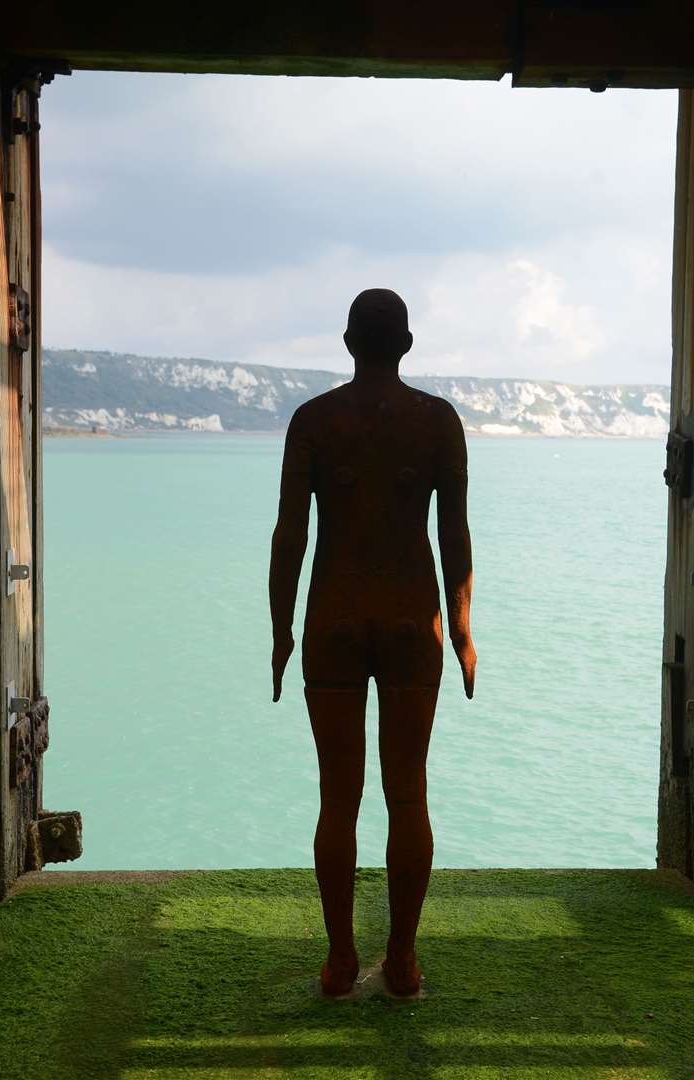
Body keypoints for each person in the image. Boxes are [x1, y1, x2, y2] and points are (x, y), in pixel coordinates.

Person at [268, 288, 477, 999]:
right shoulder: (438, 422)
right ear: (407, 345)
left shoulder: (314, 421)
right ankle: (405, 963)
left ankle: (337, 964)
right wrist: (463, 629)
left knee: (338, 800)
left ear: (350, 343)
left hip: (332, 617)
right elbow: (455, 537)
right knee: (408, 796)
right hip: (412, 618)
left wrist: (280, 627)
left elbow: (290, 536)